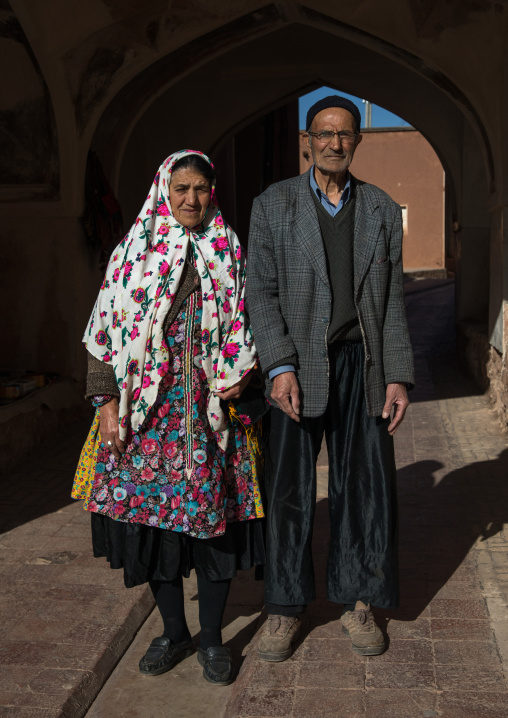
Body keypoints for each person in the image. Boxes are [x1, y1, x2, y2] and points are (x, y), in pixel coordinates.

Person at [72, 150, 265, 686]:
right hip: (144, 419)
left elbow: (245, 323)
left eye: (201, 188)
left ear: (212, 193)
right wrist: (106, 404)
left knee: (214, 528)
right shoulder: (132, 252)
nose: (191, 199)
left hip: (208, 421)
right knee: (155, 530)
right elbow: (101, 333)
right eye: (181, 188)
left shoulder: (226, 248)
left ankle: (210, 640)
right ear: (163, 189)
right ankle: (173, 630)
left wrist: (239, 372)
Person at [246, 96, 414, 661]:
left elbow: (392, 307)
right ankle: (284, 608)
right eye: (324, 133)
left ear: (357, 143)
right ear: (307, 140)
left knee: (364, 489)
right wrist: (280, 364)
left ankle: (360, 601)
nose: (334, 143)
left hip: (360, 364)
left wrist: (397, 376)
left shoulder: (383, 211)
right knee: (288, 491)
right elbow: (261, 295)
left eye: (345, 135)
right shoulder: (273, 206)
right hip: (298, 365)